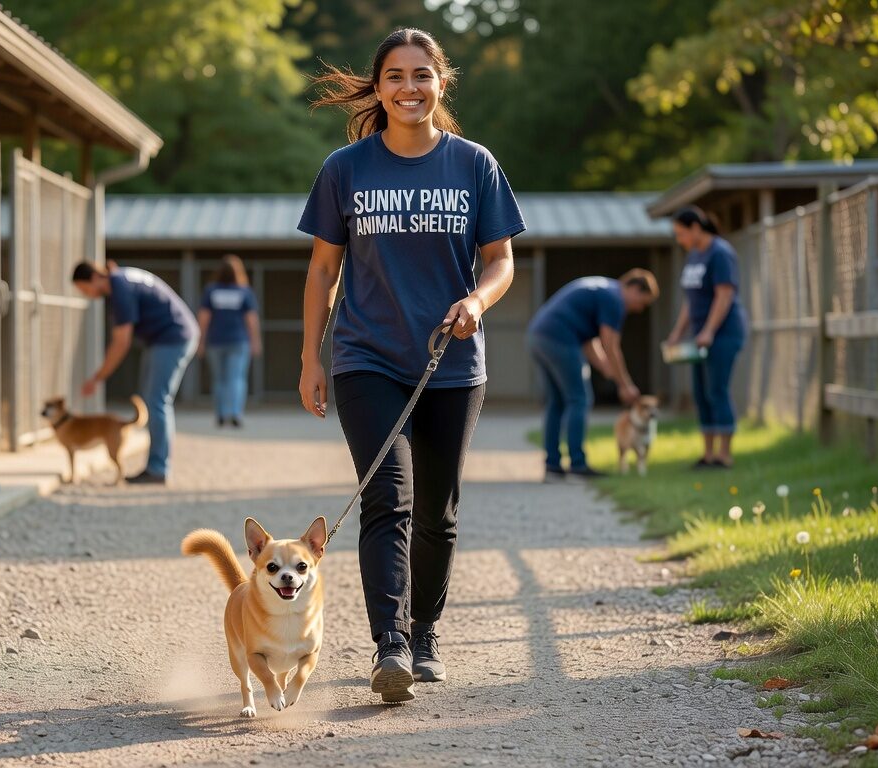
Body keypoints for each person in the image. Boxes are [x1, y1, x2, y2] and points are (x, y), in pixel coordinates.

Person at [297, 28, 524, 704]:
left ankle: (424, 633)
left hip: (452, 363)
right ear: (378, 87)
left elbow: (502, 260)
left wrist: (478, 301)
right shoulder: (345, 169)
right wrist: (311, 356)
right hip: (366, 359)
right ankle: (389, 645)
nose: (409, 88)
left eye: (421, 75)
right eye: (395, 76)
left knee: (438, 511)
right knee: (385, 498)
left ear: (441, 83)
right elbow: (323, 271)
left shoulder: (474, 165)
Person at [72, 262, 199, 485]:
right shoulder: (122, 278)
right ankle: (155, 466)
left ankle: (158, 469)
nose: (87, 296)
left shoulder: (119, 287)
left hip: (173, 337)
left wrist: (97, 378)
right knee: (152, 400)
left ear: (93, 278)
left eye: (84, 290)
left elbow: (121, 342)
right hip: (165, 338)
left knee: (157, 401)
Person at [526, 271, 659, 479]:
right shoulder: (615, 299)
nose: (639, 309)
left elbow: (590, 342)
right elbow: (610, 344)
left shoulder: (604, 289)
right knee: (580, 398)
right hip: (559, 339)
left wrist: (608, 369)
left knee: (557, 402)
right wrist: (625, 384)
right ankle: (578, 464)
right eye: (642, 302)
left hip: (538, 336)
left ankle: (552, 466)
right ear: (634, 288)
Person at [665, 205, 747, 469]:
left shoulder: (720, 253)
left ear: (696, 228)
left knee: (717, 390)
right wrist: (678, 333)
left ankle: (725, 455)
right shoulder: (694, 256)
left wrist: (710, 331)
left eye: (681, 233)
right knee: (701, 393)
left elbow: (725, 294)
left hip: (723, 334)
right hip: (700, 336)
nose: (680, 240)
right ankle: (708, 454)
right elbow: (691, 301)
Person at [196, 255, 262, 428]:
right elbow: (251, 320)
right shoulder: (244, 291)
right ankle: (235, 413)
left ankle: (220, 414)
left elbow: (203, 318)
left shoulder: (211, 290)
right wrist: (256, 341)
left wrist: (200, 342)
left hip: (214, 342)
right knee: (237, 379)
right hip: (239, 342)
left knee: (219, 380)